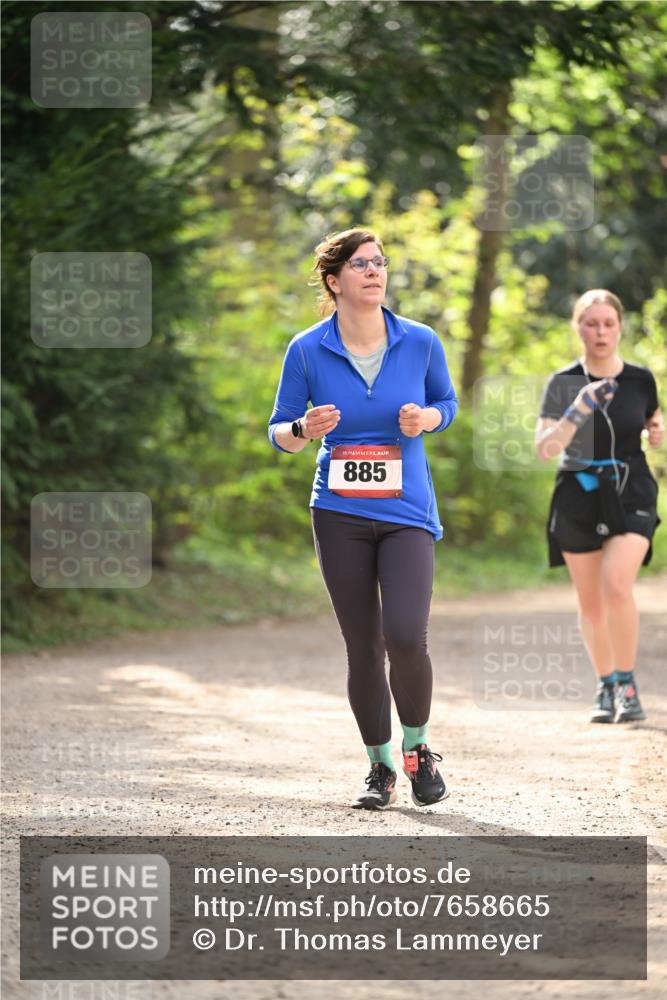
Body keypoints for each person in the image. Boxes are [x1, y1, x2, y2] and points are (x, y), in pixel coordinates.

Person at [268, 228, 458, 809]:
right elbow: (278, 431)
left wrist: (426, 419)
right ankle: (379, 767)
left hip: (407, 512)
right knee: (364, 646)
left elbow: (447, 403)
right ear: (334, 281)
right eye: (360, 264)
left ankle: (417, 749)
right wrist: (303, 429)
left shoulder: (420, 341)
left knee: (405, 635)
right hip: (339, 513)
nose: (374, 271)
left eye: (380, 262)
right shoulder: (307, 349)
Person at [535, 289, 664, 724]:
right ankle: (605, 684)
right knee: (591, 601)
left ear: (620, 327)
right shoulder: (563, 382)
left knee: (616, 585)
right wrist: (578, 407)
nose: (601, 332)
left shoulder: (641, 379)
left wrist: (656, 430)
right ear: (579, 328)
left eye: (609, 323)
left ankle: (626, 684)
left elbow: (651, 419)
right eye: (591, 324)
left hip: (631, 488)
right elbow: (545, 449)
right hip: (579, 491)